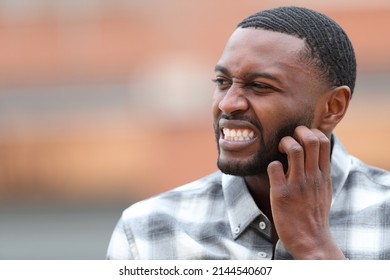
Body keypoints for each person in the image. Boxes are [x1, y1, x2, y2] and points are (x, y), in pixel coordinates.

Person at [106, 6, 390, 260]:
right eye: (222, 81)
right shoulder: (149, 232)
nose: (228, 103)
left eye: (260, 86)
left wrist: (314, 247)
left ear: (332, 107)